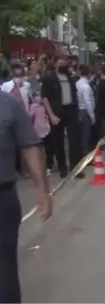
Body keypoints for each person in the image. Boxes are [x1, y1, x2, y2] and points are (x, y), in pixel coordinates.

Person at [0, 92, 52, 304]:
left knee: (4, 269)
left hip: (2, 200)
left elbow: (30, 147)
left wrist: (42, 191)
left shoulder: (8, 105)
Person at [40, 57, 83, 179]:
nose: (63, 66)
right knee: (58, 141)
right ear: (55, 64)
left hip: (71, 110)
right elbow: (44, 97)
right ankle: (62, 168)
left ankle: (75, 167)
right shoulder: (49, 78)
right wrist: (51, 115)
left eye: (65, 64)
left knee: (74, 140)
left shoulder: (70, 77)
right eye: (60, 63)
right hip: (56, 112)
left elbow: (75, 94)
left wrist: (77, 109)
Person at [76, 64, 95, 157]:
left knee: (81, 133)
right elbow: (88, 102)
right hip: (85, 111)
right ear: (88, 74)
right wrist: (92, 116)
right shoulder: (86, 86)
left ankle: (81, 152)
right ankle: (85, 154)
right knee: (86, 134)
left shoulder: (77, 83)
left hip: (79, 110)